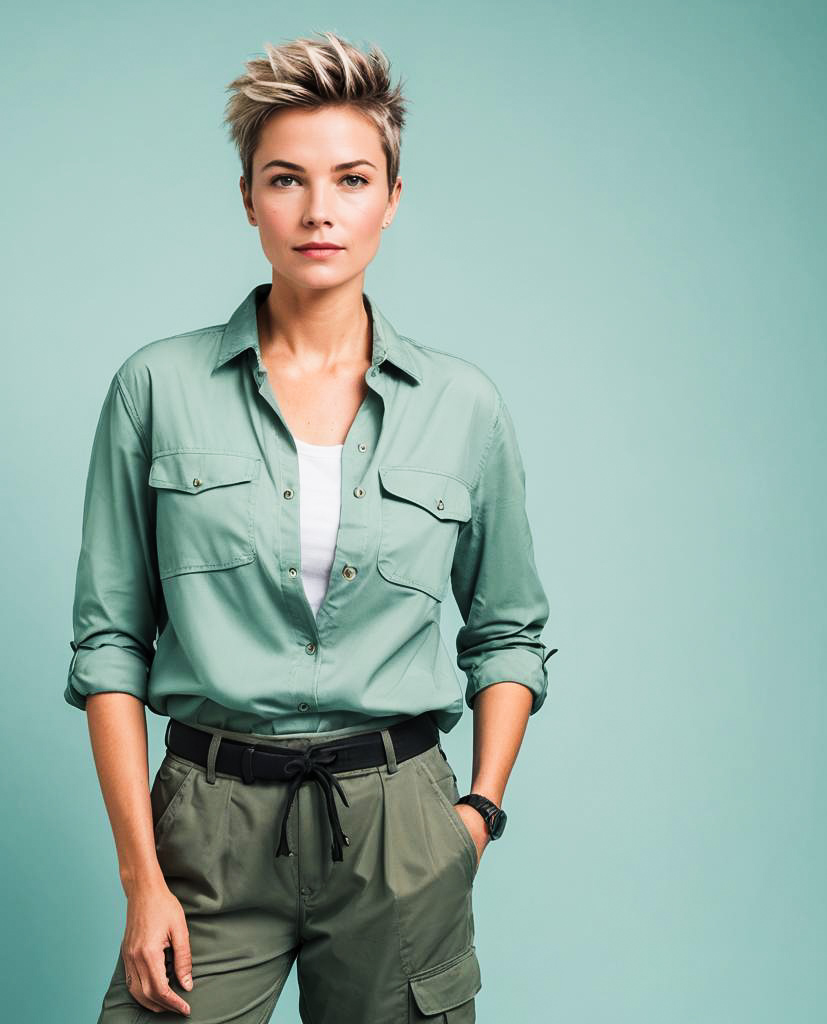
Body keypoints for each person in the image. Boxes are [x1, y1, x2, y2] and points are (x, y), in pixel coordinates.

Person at [65, 30, 557, 1024]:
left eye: (352, 178)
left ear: (392, 197)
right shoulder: (155, 389)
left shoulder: (461, 405)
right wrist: (141, 879)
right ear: (248, 197)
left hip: (399, 821)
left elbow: (507, 631)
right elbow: (111, 646)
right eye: (286, 179)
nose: (319, 209)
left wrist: (476, 817)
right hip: (207, 819)